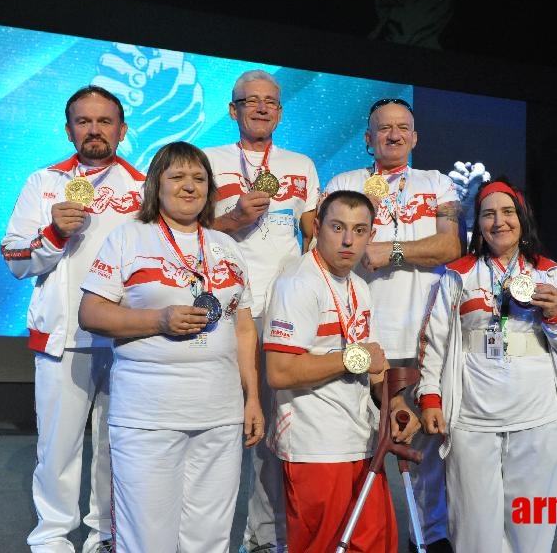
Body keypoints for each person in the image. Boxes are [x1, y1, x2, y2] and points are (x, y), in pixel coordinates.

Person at [77, 141, 264, 552]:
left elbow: (244, 327)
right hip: (148, 414)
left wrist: (251, 397)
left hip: (219, 413)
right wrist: (157, 320)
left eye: (199, 178)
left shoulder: (226, 246)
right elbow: (90, 313)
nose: (189, 187)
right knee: (147, 536)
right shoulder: (128, 238)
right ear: (156, 186)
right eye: (177, 177)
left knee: (210, 536)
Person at [1, 85, 145, 553]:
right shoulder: (42, 182)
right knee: (58, 446)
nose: (94, 130)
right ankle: (52, 536)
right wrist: (54, 232)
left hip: (125, 338)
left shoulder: (145, 188)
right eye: (84, 121)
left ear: (122, 130)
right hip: (62, 337)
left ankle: (105, 532)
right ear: (69, 130)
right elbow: (15, 258)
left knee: (113, 443)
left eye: (105, 121)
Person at [416, 178, 557, 552]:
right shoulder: (457, 274)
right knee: (474, 529)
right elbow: (434, 342)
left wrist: (556, 312)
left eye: (508, 212)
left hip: (538, 416)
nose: (499, 222)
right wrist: (430, 398)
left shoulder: (551, 273)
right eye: (488, 214)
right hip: (472, 419)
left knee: (532, 528)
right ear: (477, 224)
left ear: (522, 218)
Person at [322, 97, 462, 552]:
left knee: (427, 453)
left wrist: (391, 251)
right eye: (384, 128)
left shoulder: (437, 183)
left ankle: (430, 539)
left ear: (415, 137)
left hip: (425, 340)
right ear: (368, 139)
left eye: (403, 127)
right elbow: (327, 248)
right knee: (354, 447)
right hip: (361, 338)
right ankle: (358, 539)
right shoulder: (346, 182)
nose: (394, 134)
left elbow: (450, 246)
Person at [264, 190, 420, 553]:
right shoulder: (298, 283)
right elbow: (280, 371)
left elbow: (375, 364)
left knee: (373, 546)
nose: (348, 240)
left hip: (361, 441)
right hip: (315, 449)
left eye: (360, 230)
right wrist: (354, 359)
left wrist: (394, 405)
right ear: (317, 227)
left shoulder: (359, 287)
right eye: (337, 227)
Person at [203, 69, 320, 553]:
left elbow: (311, 226)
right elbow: (186, 225)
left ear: (279, 110)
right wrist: (233, 219)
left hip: (282, 312)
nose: (260, 107)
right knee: (219, 426)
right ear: (233, 110)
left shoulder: (301, 164)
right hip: (225, 306)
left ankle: (263, 536)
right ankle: (204, 537)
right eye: (249, 101)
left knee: (274, 430)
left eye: (270, 101)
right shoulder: (207, 160)